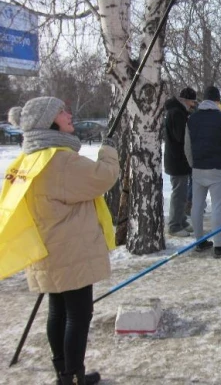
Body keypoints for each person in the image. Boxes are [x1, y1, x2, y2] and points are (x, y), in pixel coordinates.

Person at [3, 97, 119, 385]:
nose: (69, 114)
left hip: (46, 247)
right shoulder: (60, 160)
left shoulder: (30, 158)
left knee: (58, 310)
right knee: (78, 315)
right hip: (70, 250)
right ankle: (73, 376)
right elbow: (102, 178)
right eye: (62, 111)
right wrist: (109, 151)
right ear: (48, 120)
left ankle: (64, 375)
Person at [185, 86, 221, 257]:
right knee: (217, 207)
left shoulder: (191, 119)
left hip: (198, 169)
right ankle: (219, 246)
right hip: (218, 169)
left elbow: (187, 147)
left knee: (197, 206)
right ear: (217, 101)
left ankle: (199, 241)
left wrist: (194, 164)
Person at [163, 87, 197, 237]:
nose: (193, 105)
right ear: (186, 100)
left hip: (178, 160)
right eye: (192, 102)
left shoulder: (178, 112)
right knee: (179, 193)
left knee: (182, 193)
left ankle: (181, 220)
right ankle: (174, 225)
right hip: (177, 160)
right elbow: (181, 137)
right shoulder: (177, 113)